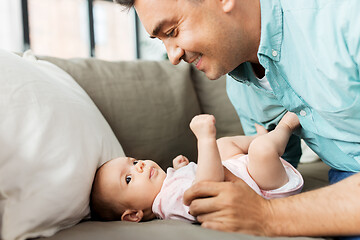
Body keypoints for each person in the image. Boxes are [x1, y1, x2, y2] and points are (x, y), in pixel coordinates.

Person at [114, 0, 360, 238]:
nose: (173, 57)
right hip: (344, 175)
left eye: (172, 31)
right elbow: (277, 172)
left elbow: (268, 205)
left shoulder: (344, 20)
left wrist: (268, 215)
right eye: (162, 40)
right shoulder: (241, 89)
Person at [90, 113, 303, 222]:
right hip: (264, 192)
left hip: (244, 173)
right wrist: (204, 139)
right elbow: (208, 186)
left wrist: (181, 169)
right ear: (133, 215)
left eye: (134, 161)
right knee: (261, 151)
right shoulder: (167, 203)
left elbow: (191, 181)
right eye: (128, 179)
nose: (140, 166)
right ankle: (286, 127)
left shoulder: (168, 188)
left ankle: (260, 138)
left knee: (224, 145)